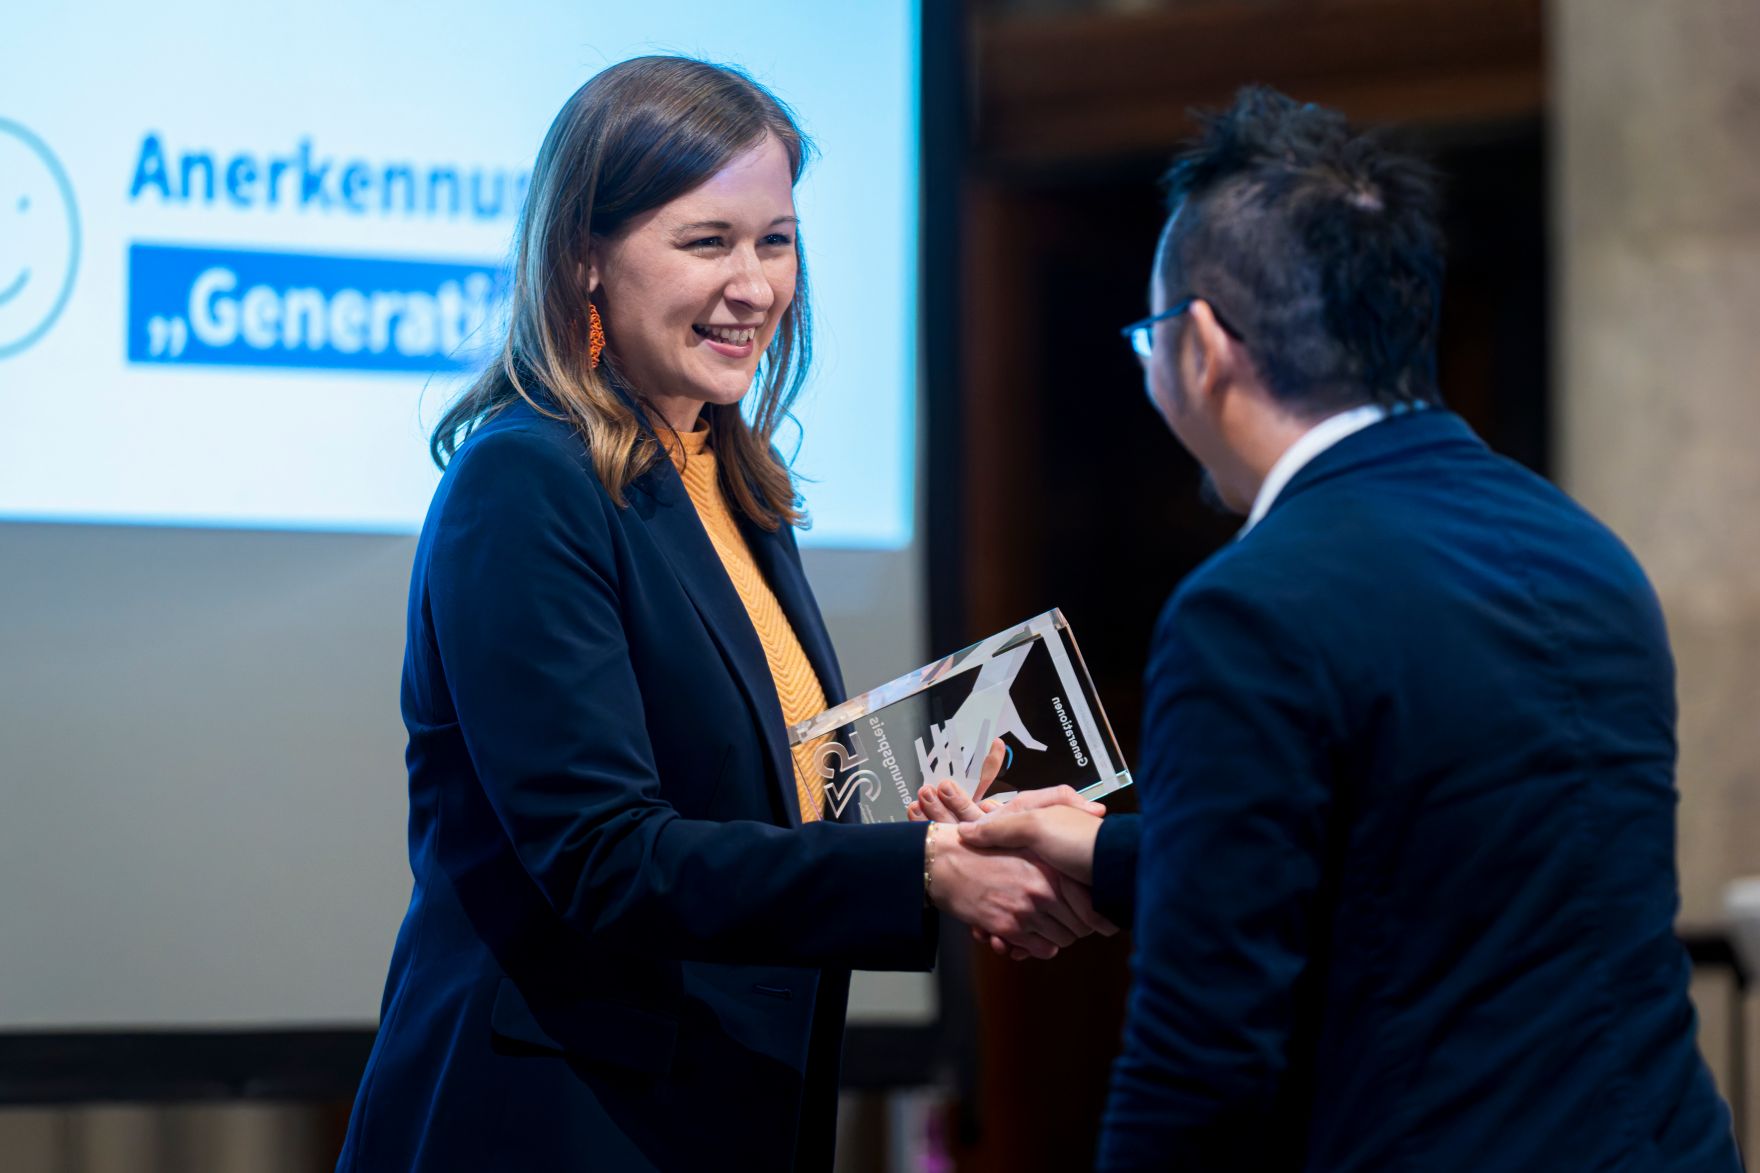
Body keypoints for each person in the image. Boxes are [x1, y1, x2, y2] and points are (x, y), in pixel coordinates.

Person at [918, 87, 1741, 1171]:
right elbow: (1426, 862)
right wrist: (1110, 850)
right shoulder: (1585, 551)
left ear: (1201, 347)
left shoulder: (1253, 606)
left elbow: (1200, 1060)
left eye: (1148, 339)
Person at [334, 56, 1109, 1173]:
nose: (754, 285)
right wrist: (922, 869)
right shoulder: (526, 477)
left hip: (721, 1104)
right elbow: (604, 856)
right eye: (707, 242)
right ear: (583, 256)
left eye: (775, 241)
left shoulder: (725, 473)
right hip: (561, 1122)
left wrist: (952, 826)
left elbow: (753, 795)